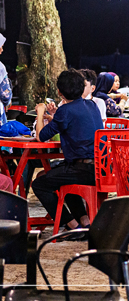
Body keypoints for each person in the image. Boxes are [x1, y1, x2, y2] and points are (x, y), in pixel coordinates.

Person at [32, 69, 103, 235]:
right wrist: (53, 117)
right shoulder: (91, 105)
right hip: (100, 168)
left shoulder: (66, 110)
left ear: (59, 92)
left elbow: (41, 137)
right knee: (62, 177)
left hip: (82, 169)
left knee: (39, 184)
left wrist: (41, 112)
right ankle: (84, 221)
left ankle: (72, 225)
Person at [0, 34, 11, 126]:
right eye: (1, 47)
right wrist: (7, 101)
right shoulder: (0, 67)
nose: (2, 50)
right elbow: (5, 94)